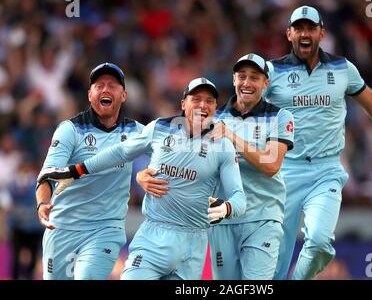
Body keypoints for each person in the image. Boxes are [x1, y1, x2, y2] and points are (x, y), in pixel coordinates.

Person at [264, 6, 372, 280]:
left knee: (320, 242)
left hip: (326, 171)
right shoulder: (272, 71)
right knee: (274, 261)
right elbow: (244, 108)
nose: (305, 34)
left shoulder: (342, 68)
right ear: (289, 34)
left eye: (311, 28)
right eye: (299, 28)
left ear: (321, 33)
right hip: (285, 171)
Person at [38, 77, 247, 280]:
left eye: (209, 101)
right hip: (154, 234)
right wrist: (77, 171)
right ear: (184, 104)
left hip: (194, 243)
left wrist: (227, 208)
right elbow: (120, 152)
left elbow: (239, 198)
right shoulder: (159, 129)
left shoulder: (223, 146)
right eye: (196, 99)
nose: (203, 105)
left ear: (215, 107)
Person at [138, 54, 294, 280]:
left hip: (262, 217)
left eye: (254, 77)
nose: (247, 83)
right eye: (242, 76)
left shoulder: (280, 116)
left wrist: (231, 136)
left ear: (265, 83)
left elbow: (271, 165)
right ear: (233, 80)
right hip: (220, 219)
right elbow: (180, 161)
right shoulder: (213, 116)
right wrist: (143, 175)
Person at [35, 62, 144, 280]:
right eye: (99, 85)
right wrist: (42, 203)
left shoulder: (138, 132)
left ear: (123, 95)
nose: (105, 89)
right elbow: (47, 175)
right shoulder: (70, 130)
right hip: (62, 226)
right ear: (89, 95)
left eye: (112, 85)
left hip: (105, 229)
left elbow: (169, 155)